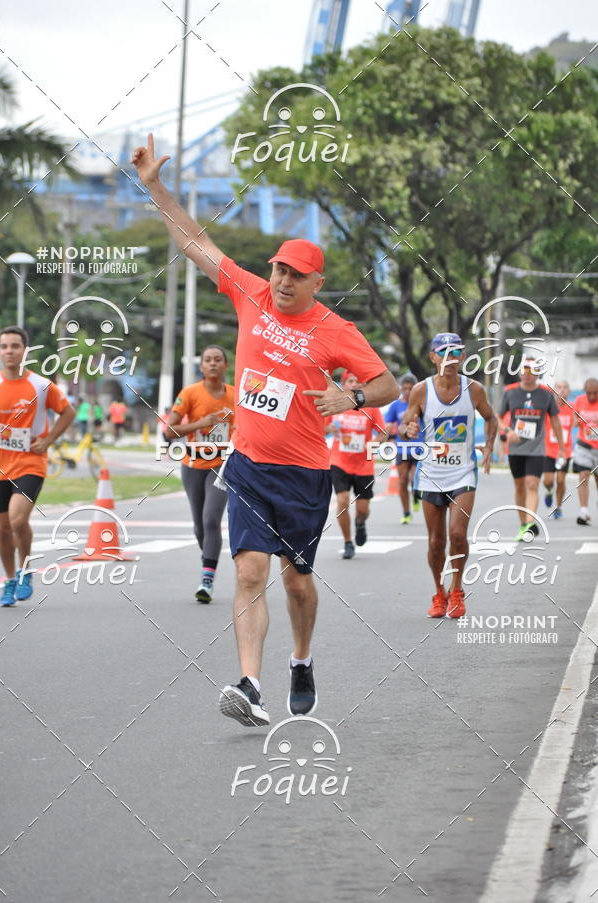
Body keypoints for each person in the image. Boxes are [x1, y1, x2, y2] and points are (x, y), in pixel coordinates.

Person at [132, 134, 399, 726]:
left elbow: (388, 385)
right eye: (278, 268)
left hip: (304, 472)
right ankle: (249, 684)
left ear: (315, 284)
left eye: (295, 275)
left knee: (297, 583)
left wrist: (350, 394)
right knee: (249, 569)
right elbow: (196, 241)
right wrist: (154, 186)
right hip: (248, 463)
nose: (281, 281)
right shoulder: (250, 292)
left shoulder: (335, 330)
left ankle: (300, 661)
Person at [399, 333, 496, 619]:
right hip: (430, 474)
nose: (450, 358)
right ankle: (438, 592)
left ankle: (457, 589)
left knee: (457, 534)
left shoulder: (474, 390)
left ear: (462, 357)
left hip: (463, 472)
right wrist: (410, 431)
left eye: (455, 353)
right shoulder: (420, 390)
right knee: (435, 542)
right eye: (444, 353)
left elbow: (491, 417)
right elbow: (407, 423)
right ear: (433, 357)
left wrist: (489, 449)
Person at [0, 326, 75, 606]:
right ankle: (9, 580)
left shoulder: (40, 385)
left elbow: (68, 412)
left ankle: (25, 570)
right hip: (0, 466)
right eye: (4, 346)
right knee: (2, 528)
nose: (9, 351)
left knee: (18, 520)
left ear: (24, 351)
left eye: (15, 346)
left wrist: (49, 440)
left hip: (31, 462)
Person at [164, 346, 235, 603]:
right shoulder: (190, 393)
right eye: (208, 360)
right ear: (201, 367)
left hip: (222, 466)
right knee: (199, 525)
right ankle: (208, 561)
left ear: (226, 365)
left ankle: (207, 580)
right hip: (193, 464)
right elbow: (169, 432)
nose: (213, 364)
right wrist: (201, 424)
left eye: (218, 360)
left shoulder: (235, 397)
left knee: (211, 519)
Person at [499, 359, 566, 540]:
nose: (527, 374)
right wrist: (507, 431)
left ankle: (530, 523)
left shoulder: (545, 395)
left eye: (532, 370)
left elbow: (555, 422)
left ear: (538, 373)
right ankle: (523, 524)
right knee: (520, 487)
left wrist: (562, 448)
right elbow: (497, 417)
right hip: (515, 448)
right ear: (520, 372)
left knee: (532, 484)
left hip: (536, 449)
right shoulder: (510, 392)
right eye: (524, 370)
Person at [326, 370, 387, 559]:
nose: (355, 384)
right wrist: (329, 428)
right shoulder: (336, 405)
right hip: (339, 461)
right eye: (351, 381)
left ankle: (360, 524)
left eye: (358, 381)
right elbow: (321, 427)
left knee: (362, 509)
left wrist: (374, 445)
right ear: (344, 385)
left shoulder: (370, 407)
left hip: (363, 465)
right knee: (342, 501)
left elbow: (383, 432)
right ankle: (347, 542)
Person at [385, 372, 424, 524]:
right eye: (405, 388)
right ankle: (406, 512)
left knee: (414, 478)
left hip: (419, 447)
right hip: (401, 449)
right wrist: (388, 433)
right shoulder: (396, 406)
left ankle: (416, 496)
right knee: (402, 481)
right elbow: (388, 423)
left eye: (410, 388)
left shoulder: (422, 404)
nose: (407, 391)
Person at [542, 380, 573, 519]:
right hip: (548, 449)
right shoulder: (548, 407)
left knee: (561, 480)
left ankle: (558, 507)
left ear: (569, 391)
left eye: (565, 387)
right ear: (554, 390)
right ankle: (548, 492)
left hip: (564, 450)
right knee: (548, 481)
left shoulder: (573, 408)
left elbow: (581, 422)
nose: (562, 390)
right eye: (559, 387)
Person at [572, 377, 598, 526]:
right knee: (583, 475)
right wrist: (578, 421)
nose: (592, 396)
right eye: (590, 393)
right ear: (585, 392)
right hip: (584, 446)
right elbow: (575, 419)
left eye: (595, 393)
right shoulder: (580, 400)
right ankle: (583, 510)